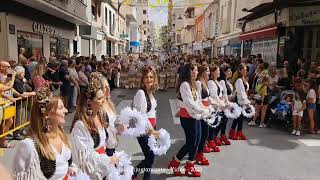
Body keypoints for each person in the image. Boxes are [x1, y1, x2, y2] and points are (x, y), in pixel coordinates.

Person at [13, 87, 78, 179]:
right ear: (46, 114)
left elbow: (64, 163)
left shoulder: (61, 134)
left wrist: (71, 168)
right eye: (61, 108)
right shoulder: (29, 145)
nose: (66, 110)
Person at [70, 74, 118, 179]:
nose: (104, 100)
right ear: (89, 102)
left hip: (103, 167)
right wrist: (108, 160)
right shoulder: (80, 125)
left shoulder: (101, 116)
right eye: (100, 98)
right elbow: (84, 158)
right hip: (91, 172)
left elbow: (106, 142)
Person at [168, 63, 210, 177]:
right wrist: (202, 111)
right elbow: (189, 102)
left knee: (197, 141)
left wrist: (206, 108)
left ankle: (190, 165)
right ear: (189, 72)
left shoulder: (193, 84)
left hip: (196, 116)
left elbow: (198, 101)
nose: (197, 72)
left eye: (196, 70)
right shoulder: (184, 85)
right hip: (187, 118)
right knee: (190, 143)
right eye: (195, 70)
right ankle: (175, 162)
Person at [132, 66, 160, 180]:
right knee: (150, 156)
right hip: (144, 129)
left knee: (150, 155)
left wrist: (154, 128)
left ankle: (134, 173)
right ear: (142, 79)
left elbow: (153, 112)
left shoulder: (151, 92)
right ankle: (141, 175)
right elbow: (142, 115)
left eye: (151, 77)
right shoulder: (141, 93)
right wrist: (151, 130)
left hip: (152, 127)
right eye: (147, 77)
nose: (149, 79)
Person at [194, 65, 211, 166]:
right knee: (202, 134)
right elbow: (199, 100)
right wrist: (204, 110)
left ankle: (199, 153)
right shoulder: (198, 83)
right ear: (202, 72)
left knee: (205, 133)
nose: (208, 73)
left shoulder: (205, 82)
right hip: (201, 112)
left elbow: (207, 98)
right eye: (207, 71)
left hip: (206, 111)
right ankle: (198, 154)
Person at [229, 63, 251, 140]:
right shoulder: (239, 80)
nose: (245, 71)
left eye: (246, 70)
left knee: (239, 117)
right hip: (239, 100)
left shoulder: (243, 79)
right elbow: (241, 92)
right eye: (243, 70)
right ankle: (236, 132)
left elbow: (245, 90)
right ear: (240, 70)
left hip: (243, 99)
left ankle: (237, 132)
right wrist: (246, 101)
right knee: (239, 117)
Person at [207, 64, 226, 151]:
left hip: (219, 105)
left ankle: (212, 139)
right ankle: (210, 140)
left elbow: (220, 94)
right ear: (212, 72)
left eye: (219, 70)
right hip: (215, 106)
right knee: (214, 124)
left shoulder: (216, 81)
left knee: (220, 122)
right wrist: (221, 103)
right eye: (217, 70)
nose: (219, 72)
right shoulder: (211, 82)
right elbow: (214, 96)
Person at [218, 63, 233, 145]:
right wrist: (226, 104)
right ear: (224, 72)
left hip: (227, 104)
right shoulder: (222, 81)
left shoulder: (227, 81)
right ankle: (213, 138)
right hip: (223, 105)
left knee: (225, 121)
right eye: (229, 71)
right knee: (221, 122)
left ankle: (222, 136)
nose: (231, 72)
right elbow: (222, 94)